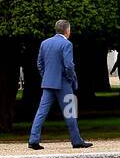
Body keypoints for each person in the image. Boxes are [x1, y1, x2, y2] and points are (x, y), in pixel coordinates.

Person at [28, 19, 91, 150]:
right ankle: (76, 140)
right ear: (67, 30)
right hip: (63, 83)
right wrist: (70, 78)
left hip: (48, 82)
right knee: (70, 112)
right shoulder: (67, 44)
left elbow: (39, 63)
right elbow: (69, 65)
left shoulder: (44, 43)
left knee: (41, 112)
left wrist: (46, 75)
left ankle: (33, 140)